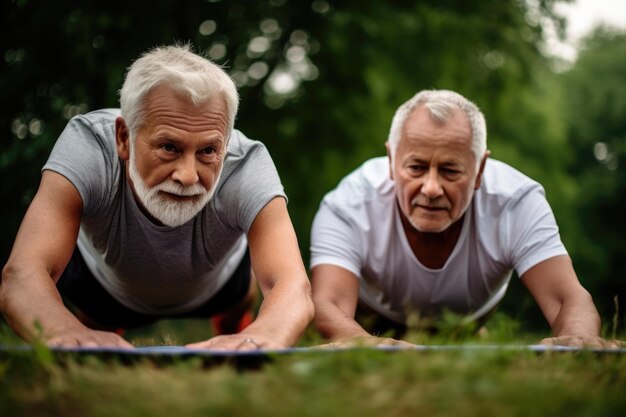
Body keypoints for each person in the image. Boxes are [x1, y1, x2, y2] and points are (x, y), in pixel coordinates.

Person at [0, 44, 314, 350]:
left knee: (244, 292)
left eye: (207, 150)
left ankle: (232, 325)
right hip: (102, 288)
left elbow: (289, 284)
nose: (188, 176)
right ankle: (98, 328)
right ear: (123, 138)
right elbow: (23, 273)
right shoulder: (88, 145)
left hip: (220, 288)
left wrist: (265, 335)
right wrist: (65, 333)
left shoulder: (247, 163)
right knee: (92, 329)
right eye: (169, 148)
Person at [310, 89, 614, 348]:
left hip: (470, 316)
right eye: (416, 167)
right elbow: (329, 304)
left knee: (465, 339)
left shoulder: (517, 201)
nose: (431, 188)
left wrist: (578, 339)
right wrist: (367, 343)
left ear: (480, 170)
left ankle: (470, 333)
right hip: (373, 314)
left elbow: (566, 298)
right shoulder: (348, 203)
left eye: (450, 170)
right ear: (391, 161)